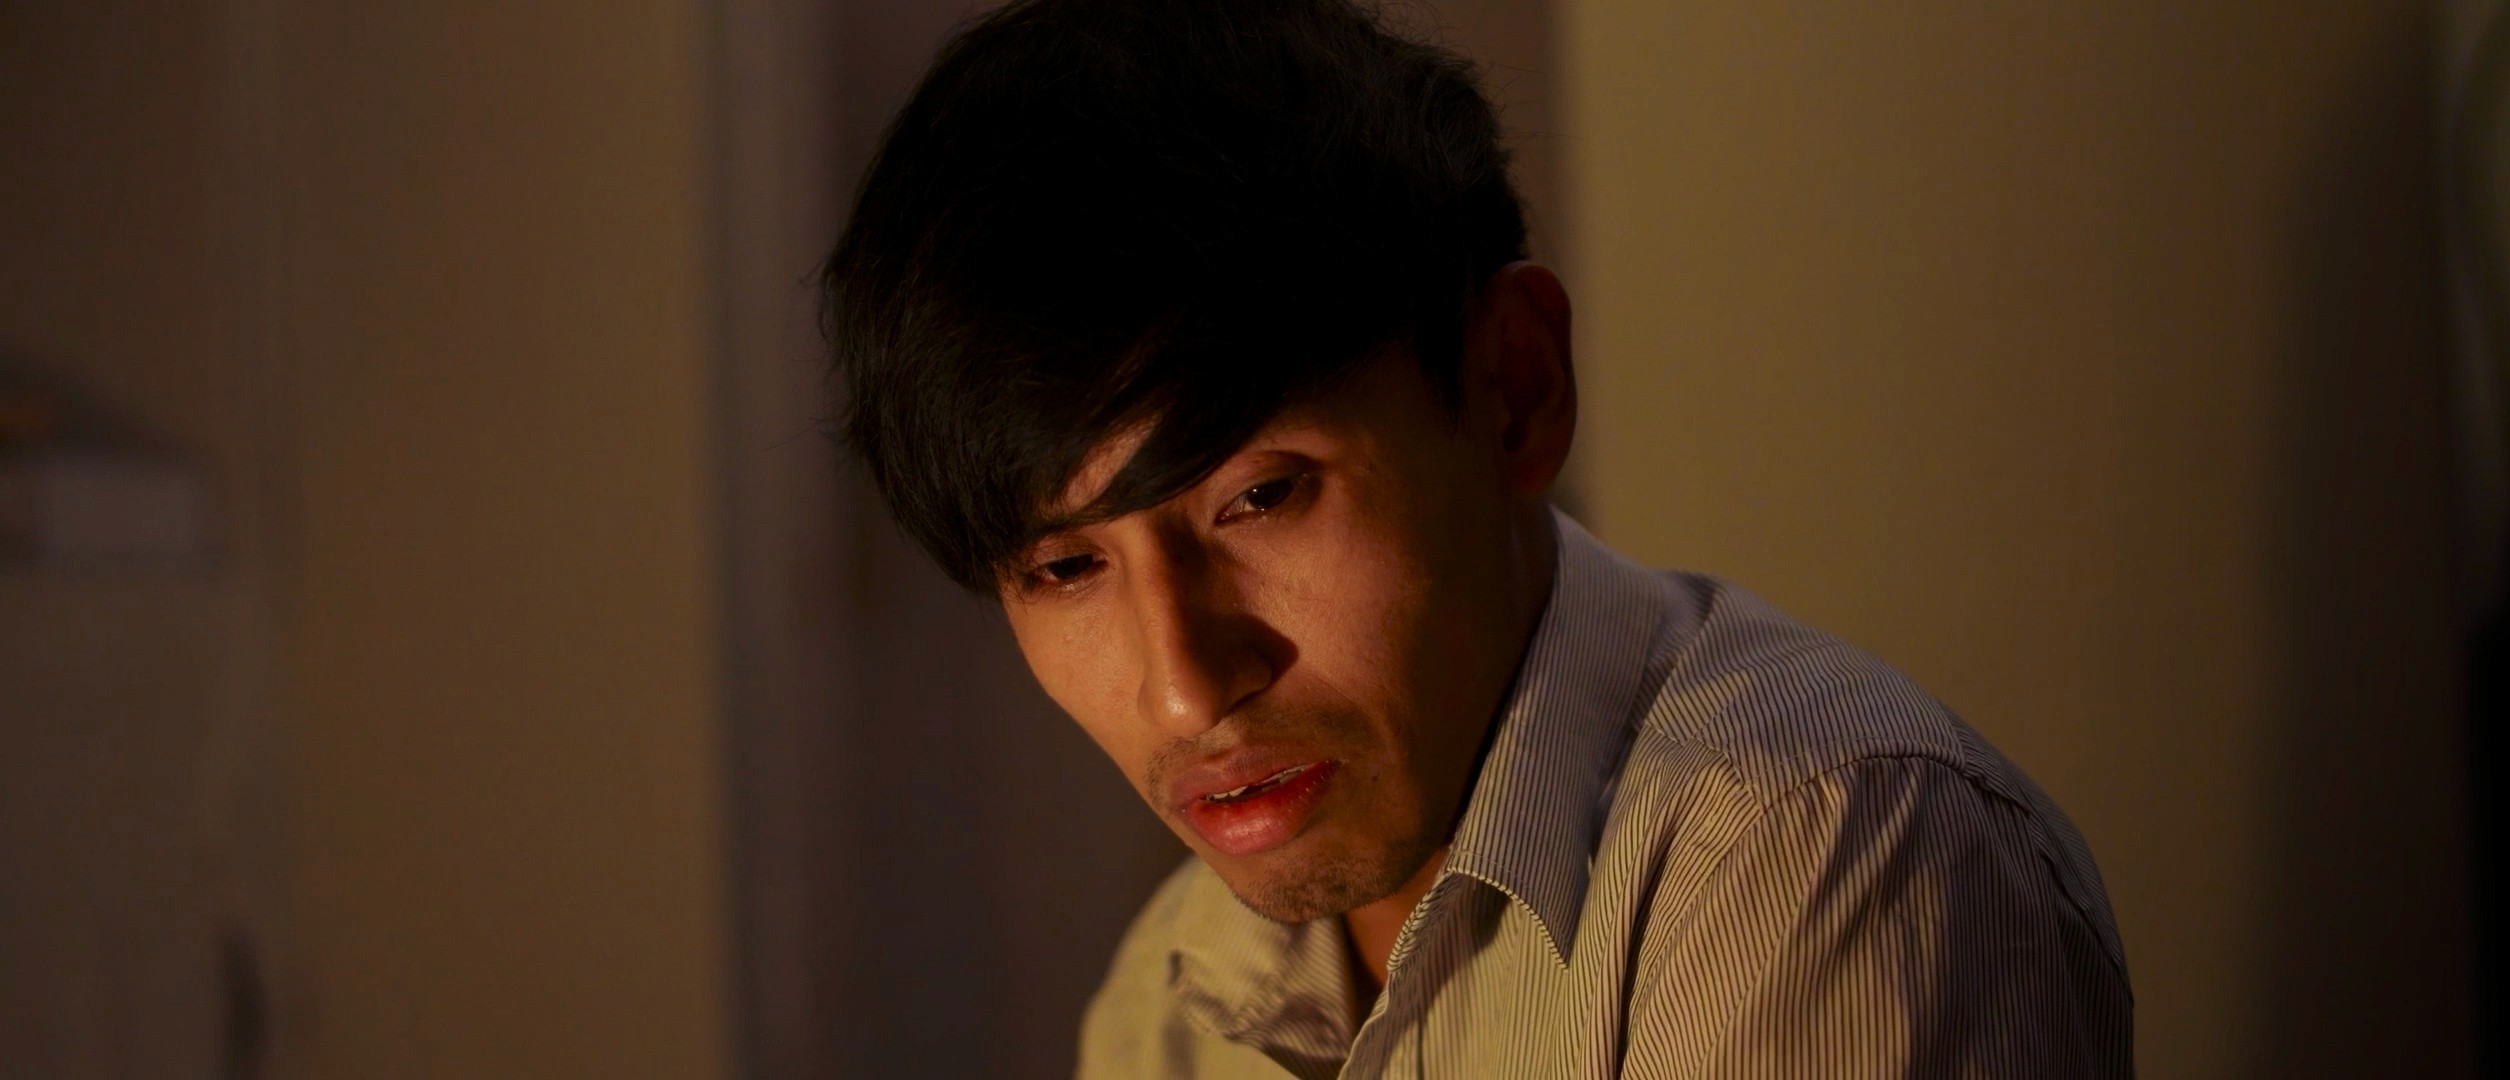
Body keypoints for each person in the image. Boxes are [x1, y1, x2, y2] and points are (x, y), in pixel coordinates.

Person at [820, 0, 2133, 1075]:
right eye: (1065, 567)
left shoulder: (1820, 860)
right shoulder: (1169, 1008)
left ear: (1511, 388)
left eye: (1262, 496)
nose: (1183, 683)